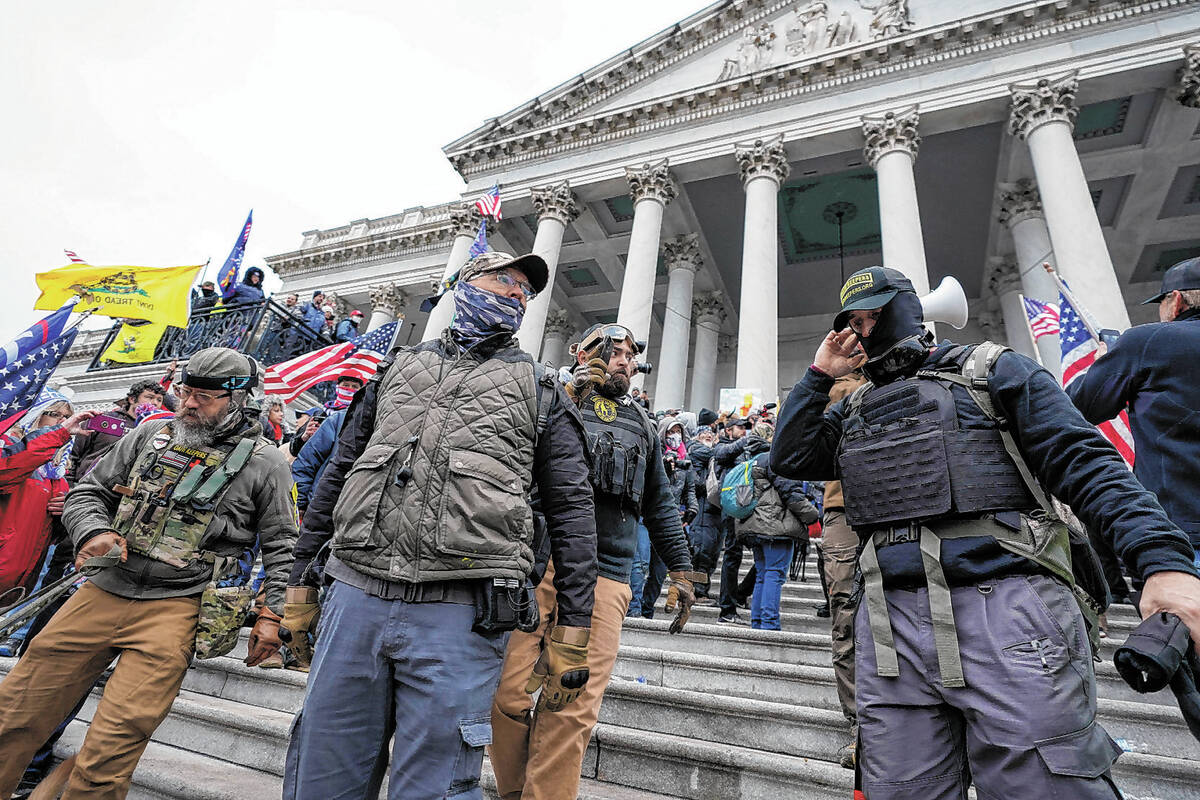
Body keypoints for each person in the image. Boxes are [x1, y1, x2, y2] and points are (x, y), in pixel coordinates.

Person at [772, 266, 1200, 799]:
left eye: (874, 316)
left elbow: (1085, 462)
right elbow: (789, 456)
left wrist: (1161, 560)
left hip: (1007, 609)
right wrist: (819, 374)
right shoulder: (854, 406)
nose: (864, 331)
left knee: (1044, 784)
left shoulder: (994, 370)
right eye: (855, 322)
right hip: (888, 623)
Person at [282, 250, 597, 800]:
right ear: (463, 286)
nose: (515, 295)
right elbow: (336, 475)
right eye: (502, 280)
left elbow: (572, 511)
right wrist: (297, 583)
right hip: (355, 594)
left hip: (461, 611)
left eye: (524, 290)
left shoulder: (544, 391)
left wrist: (573, 628)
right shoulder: (392, 373)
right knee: (323, 772)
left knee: (435, 784)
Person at [0, 348, 298, 800]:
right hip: (102, 589)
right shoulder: (148, 435)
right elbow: (89, 493)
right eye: (184, 392)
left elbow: (284, 545)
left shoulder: (267, 462)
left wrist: (275, 617)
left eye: (204, 396)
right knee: (14, 713)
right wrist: (92, 533)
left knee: (112, 747)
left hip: (178, 606)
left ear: (240, 401)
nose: (189, 404)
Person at [490, 322, 697, 800]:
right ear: (577, 352)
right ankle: (513, 791)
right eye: (610, 350)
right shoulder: (547, 398)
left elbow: (660, 502)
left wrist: (682, 570)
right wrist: (571, 400)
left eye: (629, 354)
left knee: (574, 705)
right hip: (539, 565)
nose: (623, 360)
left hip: (608, 575)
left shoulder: (643, 425)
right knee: (509, 694)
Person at [1066, 255, 1200, 563]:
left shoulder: (1148, 342)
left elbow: (1077, 407)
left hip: (1182, 533)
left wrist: (1102, 362)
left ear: (1176, 301)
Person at [815, 368, 867, 767]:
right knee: (847, 619)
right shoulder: (838, 387)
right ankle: (861, 726)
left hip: (900, 505)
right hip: (846, 510)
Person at [0, 391, 93, 606]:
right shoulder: (7, 449)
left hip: (16, 585)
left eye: (67, 416)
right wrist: (58, 434)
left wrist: (64, 514)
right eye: (56, 414)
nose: (64, 421)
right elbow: (6, 473)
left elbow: (49, 536)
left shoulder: (56, 475)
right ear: (35, 415)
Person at [735, 423, 818, 630]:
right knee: (774, 573)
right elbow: (791, 493)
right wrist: (812, 516)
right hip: (775, 526)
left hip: (754, 526)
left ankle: (758, 622)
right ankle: (770, 623)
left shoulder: (750, 460)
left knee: (763, 574)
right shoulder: (775, 460)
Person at [636, 418, 699, 618]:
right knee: (641, 564)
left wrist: (692, 509)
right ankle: (634, 609)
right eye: (671, 431)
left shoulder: (684, 460)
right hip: (645, 517)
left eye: (679, 431)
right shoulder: (653, 453)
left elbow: (690, 490)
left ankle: (647, 609)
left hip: (671, 519)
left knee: (659, 572)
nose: (675, 436)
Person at [68, 379, 165, 480]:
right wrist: (69, 483)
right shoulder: (104, 419)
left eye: (159, 400)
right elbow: (73, 453)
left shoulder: (157, 431)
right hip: (86, 484)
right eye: (149, 397)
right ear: (132, 399)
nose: (154, 403)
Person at [713, 416, 759, 624]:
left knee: (761, 554)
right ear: (728, 430)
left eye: (745, 428)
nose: (743, 431)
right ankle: (727, 609)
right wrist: (747, 438)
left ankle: (740, 594)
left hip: (748, 505)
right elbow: (723, 454)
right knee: (732, 556)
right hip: (731, 505)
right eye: (739, 428)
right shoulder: (722, 446)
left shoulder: (747, 449)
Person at [686, 423, 722, 603]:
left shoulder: (713, 455)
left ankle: (701, 590)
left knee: (711, 552)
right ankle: (696, 591)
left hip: (714, 511)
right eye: (704, 433)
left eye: (710, 433)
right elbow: (696, 483)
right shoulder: (697, 452)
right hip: (702, 510)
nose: (708, 435)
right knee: (701, 551)